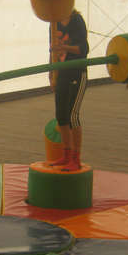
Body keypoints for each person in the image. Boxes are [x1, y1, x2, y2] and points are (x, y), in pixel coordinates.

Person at [48, 9, 88, 171]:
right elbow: (52, 51)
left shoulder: (76, 20)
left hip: (77, 72)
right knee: (61, 116)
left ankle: (76, 158)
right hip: (61, 73)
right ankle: (66, 154)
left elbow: (83, 49)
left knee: (72, 116)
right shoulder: (53, 24)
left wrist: (63, 46)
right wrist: (51, 74)